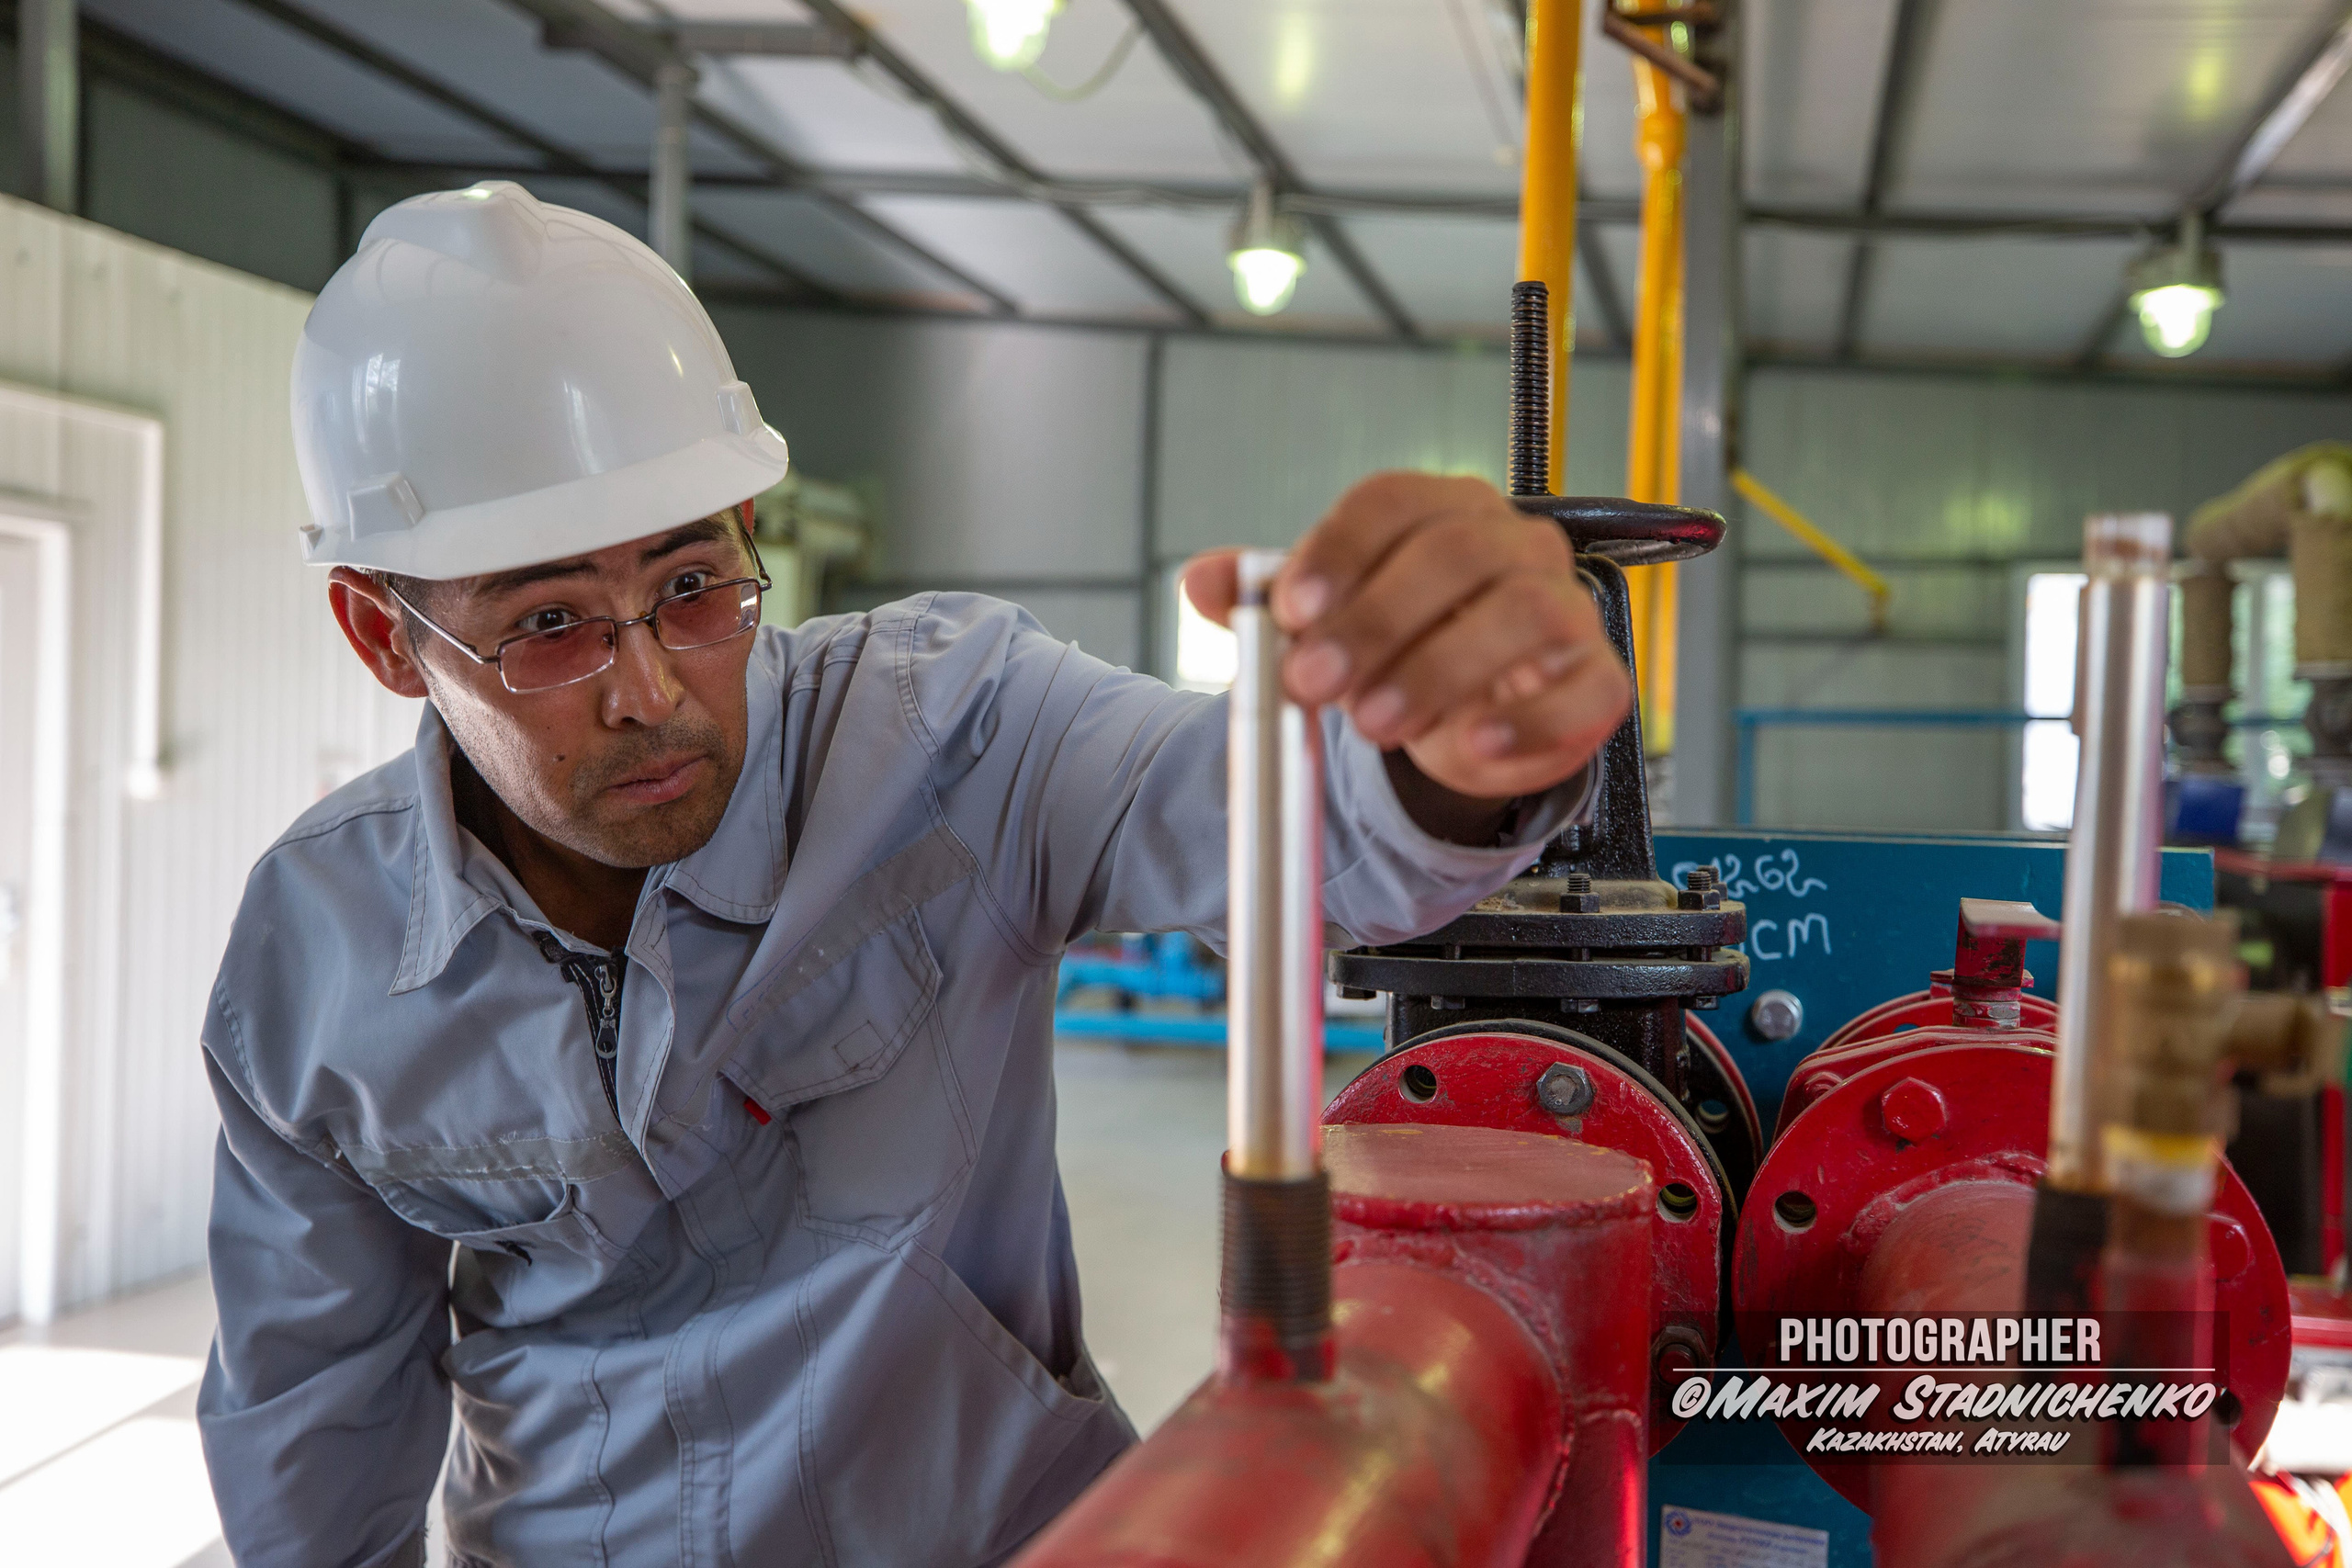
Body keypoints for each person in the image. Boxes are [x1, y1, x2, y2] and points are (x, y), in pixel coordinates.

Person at [196, 182, 1631, 1567]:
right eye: (553, 626)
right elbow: (312, 1420)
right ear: (385, 639)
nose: (653, 691)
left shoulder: (954, 732)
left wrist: (1455, 751)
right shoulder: (316, 955)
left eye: (692, 586)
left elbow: (1274, 830)